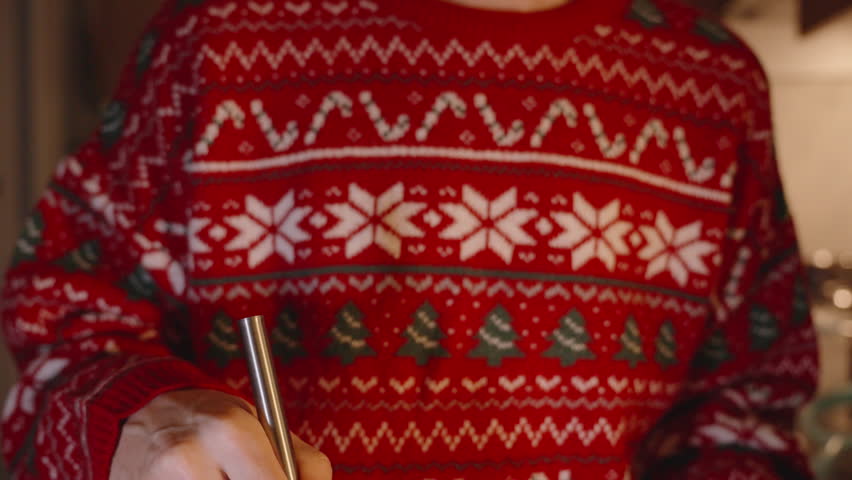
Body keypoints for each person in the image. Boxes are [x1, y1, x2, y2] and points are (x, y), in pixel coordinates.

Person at [1, 0, 818, 479]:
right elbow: (53, 349)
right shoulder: (216, 42)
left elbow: (748, 414)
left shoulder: (715, 88)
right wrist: (143, 426)